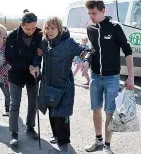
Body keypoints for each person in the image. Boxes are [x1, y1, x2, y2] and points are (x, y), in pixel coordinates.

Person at [82, 1, 134, 154]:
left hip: (112, 78)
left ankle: (107, 146)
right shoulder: (90, 28)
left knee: (110, 112)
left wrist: (130, 76)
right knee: (95, 109)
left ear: (103, 10)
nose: (91, 17)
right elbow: (93, 49)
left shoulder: (114, 27)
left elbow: (128, 51)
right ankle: (98, 140)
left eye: (94, 13)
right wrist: (86, 61)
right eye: (89, 13)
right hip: (95, 77)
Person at [30, 16, 87, 154]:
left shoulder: (69, 42)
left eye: (53, 28)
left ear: (59, 28)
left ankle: (64, 143)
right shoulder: (44, 42)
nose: (50, 31)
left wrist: (86, 59)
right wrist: (36, 66)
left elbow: (83, 51)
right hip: (48, 84)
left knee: (62, 115)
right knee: (52, 112)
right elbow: (37, 57)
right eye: (47, 28)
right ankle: (56, 136)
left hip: (64, 86)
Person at [5, 10, 43, 145]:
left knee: (33, 102)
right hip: (16, 73)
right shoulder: (12, 36)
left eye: (33, 28)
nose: (31, 31)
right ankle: (14, 133)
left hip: (33, 73)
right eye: (28, 29)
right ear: (21, 25)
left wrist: (36, 64)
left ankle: (30, 127)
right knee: (14, 104)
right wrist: (28, 67)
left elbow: (39, 53)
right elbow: (9, 57)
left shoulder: (39, 34)